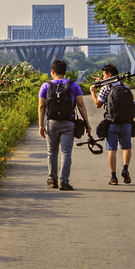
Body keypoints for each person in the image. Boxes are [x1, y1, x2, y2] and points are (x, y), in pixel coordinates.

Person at [38, 59, 90, 190]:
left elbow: (41, 106)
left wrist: (41, 125)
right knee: (66, 153)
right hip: (68, 122)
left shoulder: (46, 86)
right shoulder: (73, 85)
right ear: (65, 71)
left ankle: (52, 179)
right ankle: (64, 181)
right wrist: (87, 123)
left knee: (52, 152)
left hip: (52, 123)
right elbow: (81, 105)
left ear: (53, 71)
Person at [91, 63, 132, 185]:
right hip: (126, 123)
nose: (103, 78)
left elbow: (98, 104)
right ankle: (125, 168)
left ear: (109, 75)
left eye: (104, 75)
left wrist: (93, 92)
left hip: (111, 123)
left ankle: (113, 177)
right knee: (127, 147)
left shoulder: (105, 88)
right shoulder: (125, 87)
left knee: (112, 150)